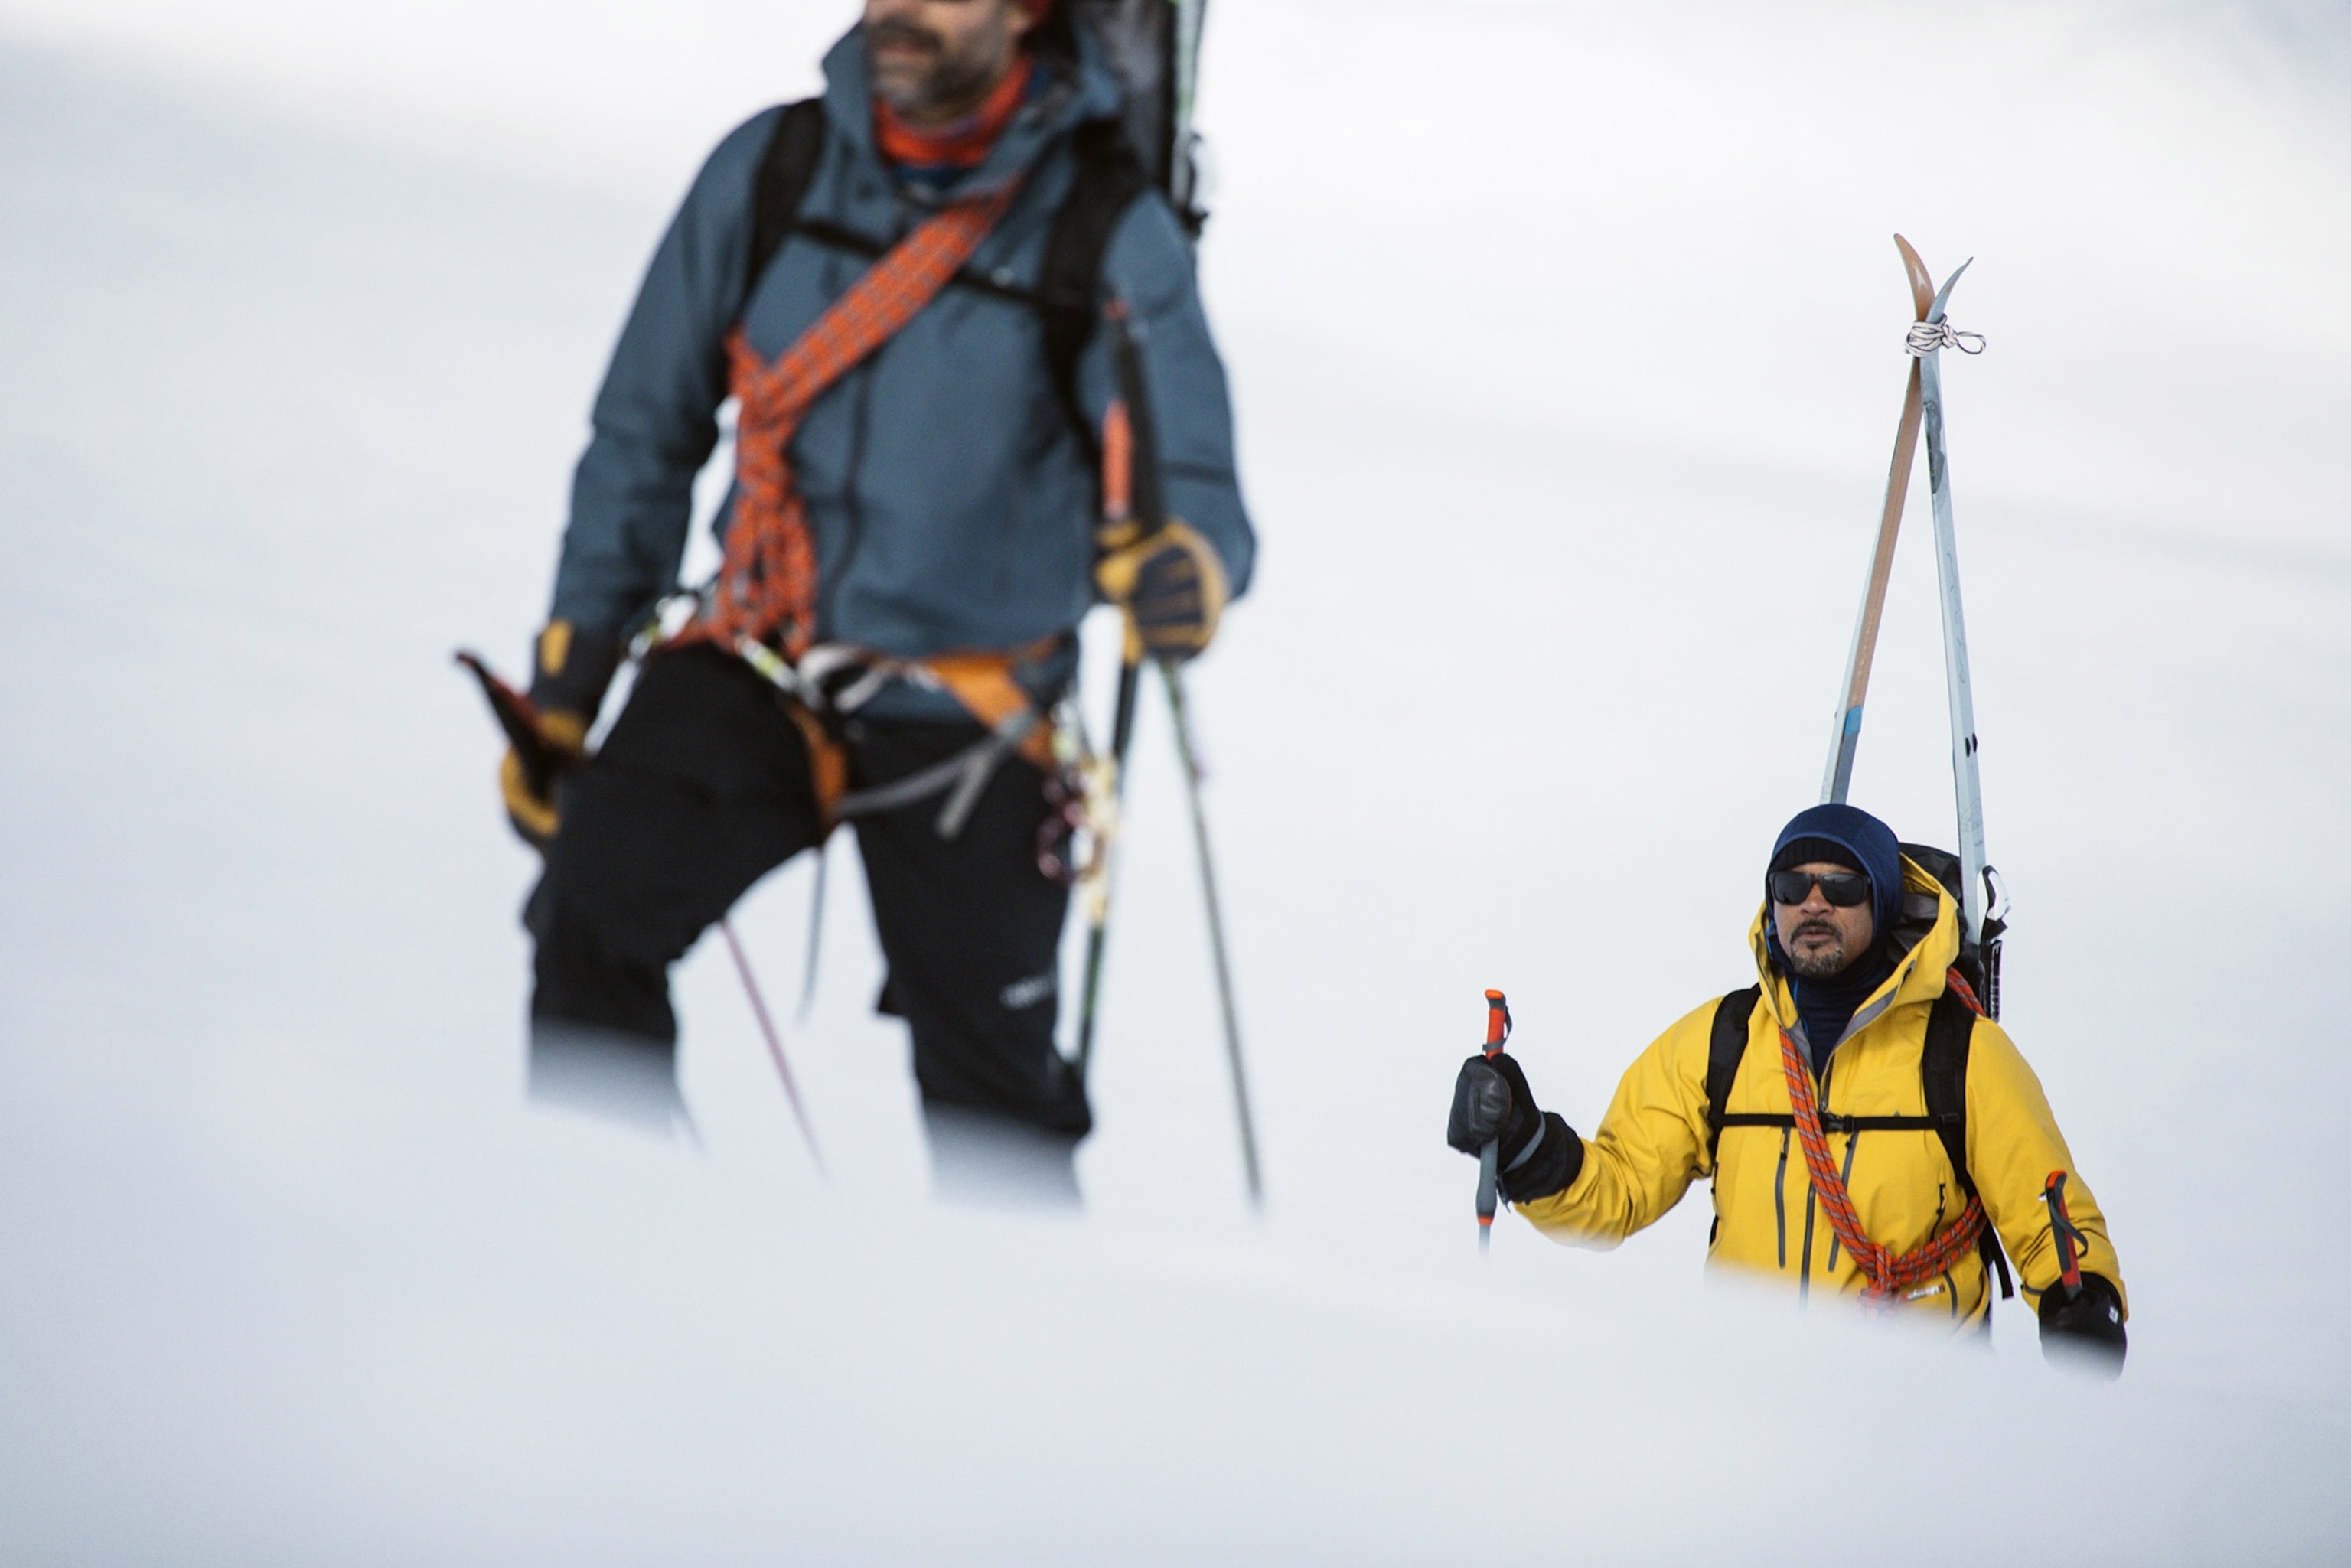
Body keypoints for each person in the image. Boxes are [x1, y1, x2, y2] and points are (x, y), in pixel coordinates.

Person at [500, 0, 1253, 1199]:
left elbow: (1198, 494)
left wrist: (1185, 571)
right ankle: (611, 1282)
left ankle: (999, 1367)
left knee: (996, 1117)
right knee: (588, 923)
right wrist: (570, 683)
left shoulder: (1109, 230)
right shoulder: (773, 170)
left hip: (975, 719)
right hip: (758, 659)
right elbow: (642, 437)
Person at [1446, 804, 2128, 1371]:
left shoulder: (1962, 1051)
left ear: (1884, 900)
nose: (1813, 903)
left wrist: (2082, 1301)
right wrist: (1524, 1142)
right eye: (1792, 884)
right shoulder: (1723, 1040)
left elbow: (2048, 1214)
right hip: (1745, 1409)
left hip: (1915, 1418)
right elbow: (1617, 1189)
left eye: (1842, 886)